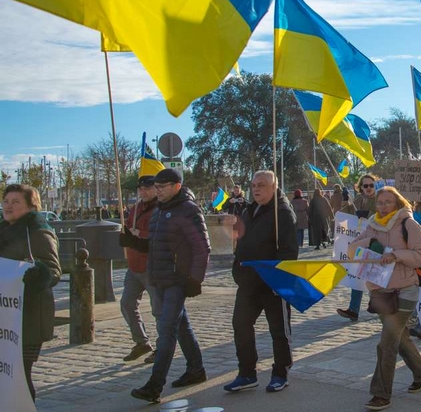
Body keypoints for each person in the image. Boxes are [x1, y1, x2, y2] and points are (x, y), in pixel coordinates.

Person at [120, 168, 211, 403]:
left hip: (177, 280)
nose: (156, 191)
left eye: (161, 187)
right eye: (156, 187)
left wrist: (195, 280)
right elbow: (155, 245)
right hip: (158, 277)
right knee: (181, 326)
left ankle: (154, 385)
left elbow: (202, 247)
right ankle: (196, 369)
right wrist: (135, 243)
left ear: (176, 187)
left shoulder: (188, 210)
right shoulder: (160, 210)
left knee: (166, 330)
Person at [348, 187, 421, 411]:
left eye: (388, 202)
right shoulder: (372, 225)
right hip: (380, 291)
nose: (383, 206)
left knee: (387, 342)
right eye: (380, 202)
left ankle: (381, 394)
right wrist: (371, 245)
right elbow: (351, 250)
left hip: (405, 289)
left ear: (398, 203)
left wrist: (395, 255)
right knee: (399, 338)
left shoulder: (409, 224)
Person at [225, 171, 298, 393]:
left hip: (272, 283)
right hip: (248, 283)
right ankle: (246, 373)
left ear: (274, 187)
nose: (256, 189)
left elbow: (289, 252)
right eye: (254, 185)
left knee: (278, 330)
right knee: (241, 324)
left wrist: (274, 273)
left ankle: (280, 373)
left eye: (262, 185)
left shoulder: (283, 212)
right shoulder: (250, 209)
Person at [0, 184, 61, 401]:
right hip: (6, 315)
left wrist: (35, 274)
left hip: (30, 316)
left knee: (20, 375)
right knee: (5, 375)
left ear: (30, 206)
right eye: (6, 201)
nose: (8, 206)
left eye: (16, 202)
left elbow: (52, 270)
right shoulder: (3, 230)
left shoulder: (37, 230)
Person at [120, 175, 159, 362]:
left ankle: (163, 346)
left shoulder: (161, 209)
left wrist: (138, 234)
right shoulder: (135, 209)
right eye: (141, 189)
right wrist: (125, 234)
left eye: (147, 188)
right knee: (127, 304)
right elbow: (128, 227)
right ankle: (141, 342)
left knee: (158, 309)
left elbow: (159, 235)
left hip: (152, 266)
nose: (143, 192)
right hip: (134, 266)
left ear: (156, 189)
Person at [337, 173, 378, 322]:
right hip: (360, 243)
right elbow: (343, 215)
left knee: (374, 275)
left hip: (375, 242)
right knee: (357, 273)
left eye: (371, 185)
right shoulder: (358, 200)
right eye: (365, 185)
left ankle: (376, 303)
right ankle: (354, 309)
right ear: (360, 187)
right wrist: (345, 201)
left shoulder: (380, 200)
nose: (368, 188)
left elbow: (384, 216)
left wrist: (369, 214)